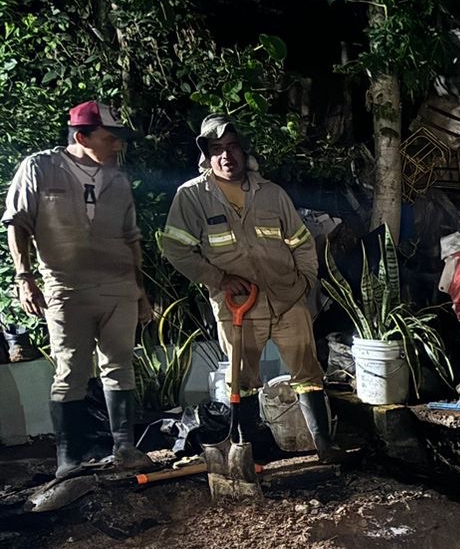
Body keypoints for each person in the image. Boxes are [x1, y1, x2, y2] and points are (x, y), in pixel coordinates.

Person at [159, 115, 342, 463]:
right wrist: (218, 280)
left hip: (288, 299)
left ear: (244, 151)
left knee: (308, 372)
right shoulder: (193, 197)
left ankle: (324, 446)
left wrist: (304, 281)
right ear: (207, 157)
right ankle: (248, 452)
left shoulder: (272, 194)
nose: (226, 156)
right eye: (217, 150)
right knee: (242, 379)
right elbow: (176, 248)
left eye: (232, 148)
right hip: (237, 304)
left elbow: (301, 241)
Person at [4, 100, 153, 478]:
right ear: (82, 136)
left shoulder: (118, 179)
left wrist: (141, 291)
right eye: (110, 137)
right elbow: (17, 223)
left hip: (118, 286)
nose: (118, 145)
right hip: (66, 287)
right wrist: (24, 278)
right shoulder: (39, 168)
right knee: (71, 370)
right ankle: (70, 457)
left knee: (120, 365)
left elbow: (131, 237)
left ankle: (124, 447)